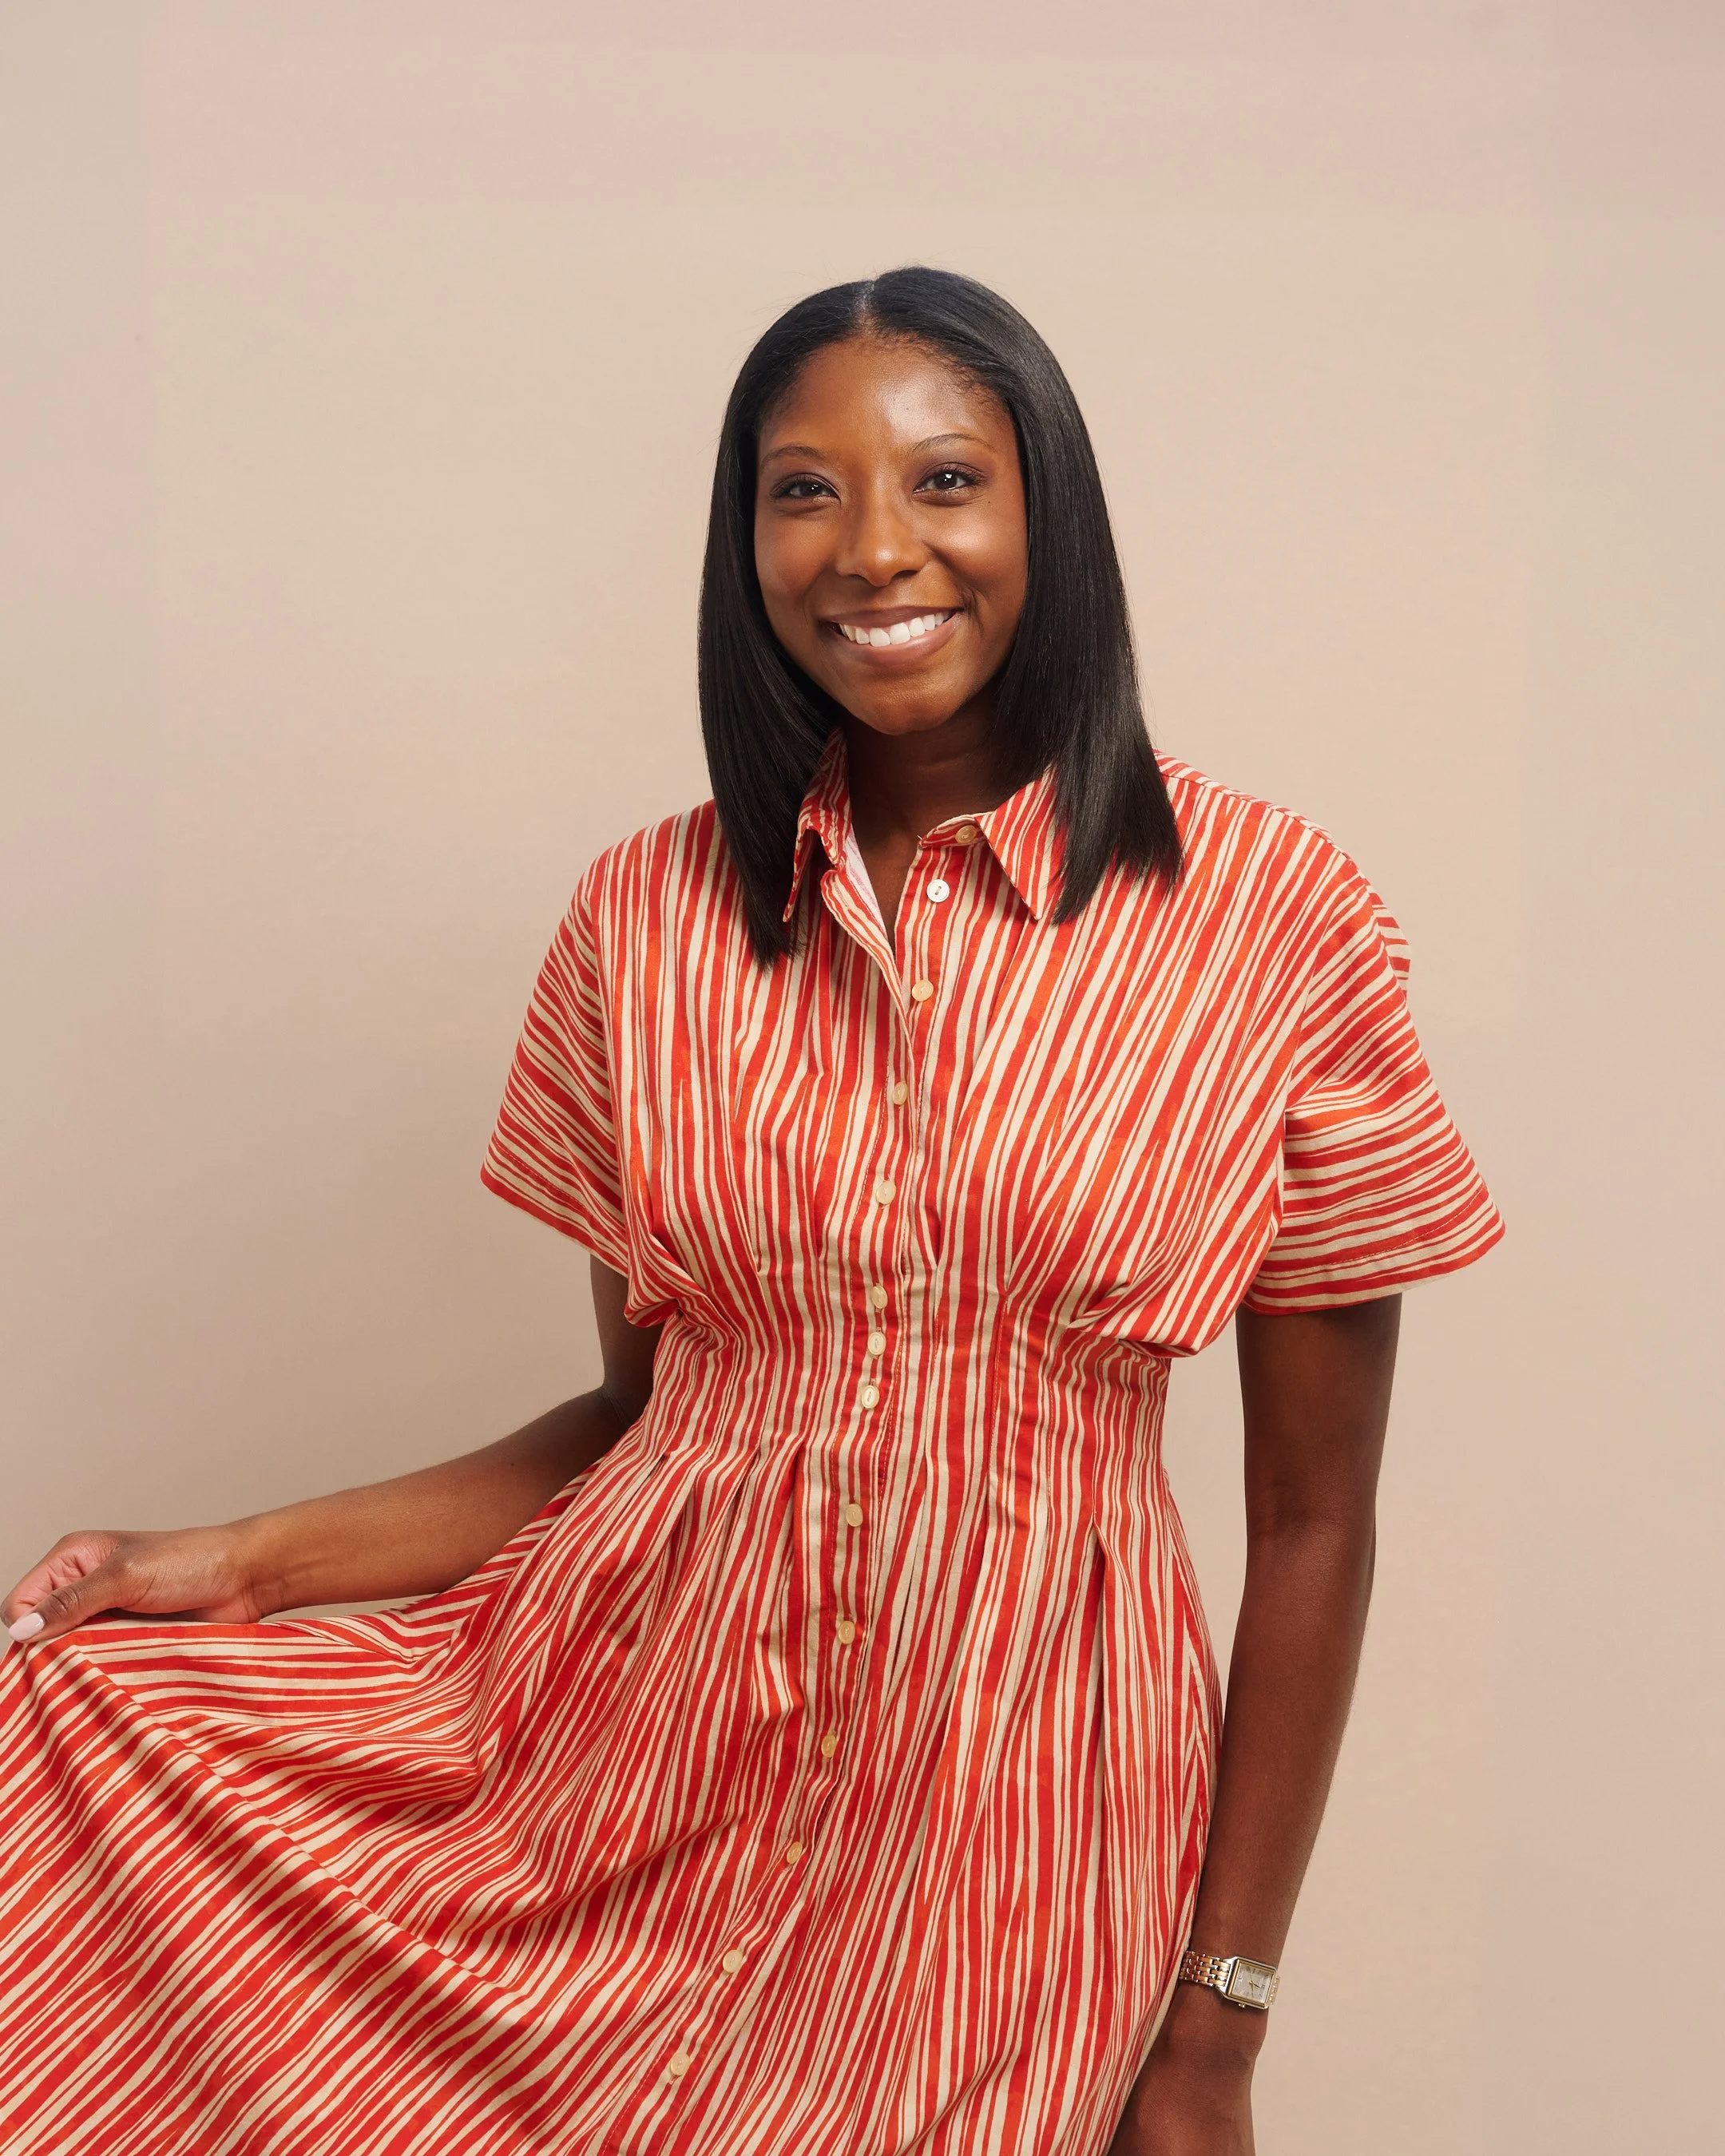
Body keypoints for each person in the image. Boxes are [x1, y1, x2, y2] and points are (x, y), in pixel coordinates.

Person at [0, 268, 1501, 2156]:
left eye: (946, 481)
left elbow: (1314, 1524)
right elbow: (641, 1424)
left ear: (1050, 507)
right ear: (747, 538)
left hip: (1010, 1838)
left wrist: (1219, 2026)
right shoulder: (641, 920)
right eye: (805, 490)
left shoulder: (1280, 918)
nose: (876, 549)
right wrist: (245, 1564)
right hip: (601, 1792)